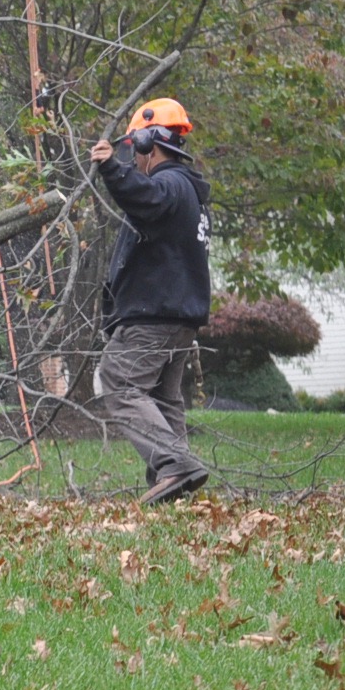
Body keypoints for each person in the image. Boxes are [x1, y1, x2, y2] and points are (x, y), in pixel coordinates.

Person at [86, 98, 213, 504]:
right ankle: (178, 484)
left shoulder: (170, 185)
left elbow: (145, 196)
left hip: (154, 316)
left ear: (147, 144)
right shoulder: (188, 192)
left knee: (118, 381)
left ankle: (175, 465)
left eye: (134, 149)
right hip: (177, 316)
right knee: (162, 398)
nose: (133, 159)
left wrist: (111, 168)